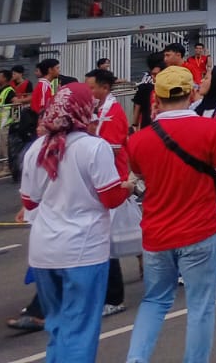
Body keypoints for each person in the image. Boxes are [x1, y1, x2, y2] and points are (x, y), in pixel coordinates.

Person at [123, 65, 216, 363]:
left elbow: (139, 178)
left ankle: (136, 359)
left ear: (156, 100)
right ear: (191, 94)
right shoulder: (212, 129)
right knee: (201, 306)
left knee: (154, 301)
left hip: (156, 233)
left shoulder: (137, 141)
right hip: (200, 228)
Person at [18, 84, 133, 360]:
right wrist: (129, 186)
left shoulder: (37, 149)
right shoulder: (94, 147)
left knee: (58, 326)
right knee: (80, 328)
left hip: (44, 251)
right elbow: (110, 198)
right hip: (84, 249)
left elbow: (29, 201)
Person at [83, 67, 131, 314]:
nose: (89, 92)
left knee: (106, 243)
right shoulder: (97, 111)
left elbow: (110, 149)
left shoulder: (112, 113)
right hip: (100, 182)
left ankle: (113, 298)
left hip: (112, 180)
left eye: (92, 87)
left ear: (105, 88)